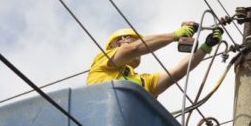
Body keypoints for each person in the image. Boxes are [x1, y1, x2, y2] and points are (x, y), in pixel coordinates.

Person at [86, 24, 222, 97]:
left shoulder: (144, 81)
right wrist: (174, 35)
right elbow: (133, 49)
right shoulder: (103, 60)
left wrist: (206, 47)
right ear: (118, 43)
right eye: (134, 40)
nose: (137, 44)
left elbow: (176, 73)